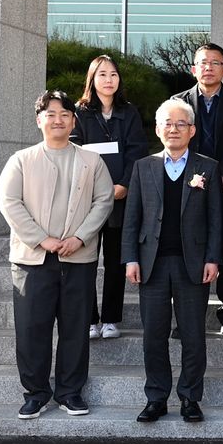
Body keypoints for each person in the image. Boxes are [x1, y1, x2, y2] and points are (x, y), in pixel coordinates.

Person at [0, 90, 114, 419]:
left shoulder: (91, 161)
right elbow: (9, 203)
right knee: (32, 327)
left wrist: (79, 237)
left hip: (78, 257)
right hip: (32, 260)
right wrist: (40, 239)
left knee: (76, 327)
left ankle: (70, 392)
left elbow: (103, 201)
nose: (58, 119)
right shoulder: (21, 160)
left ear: (74, 120)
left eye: (65, 113)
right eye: (50, 113)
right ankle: (35, 393)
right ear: (39, 120)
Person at [121, 99, 221, 423]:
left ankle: (190, 397)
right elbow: (132, 218)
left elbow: (215, 219)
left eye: (181, 124)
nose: (174, 129)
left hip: (191, 264)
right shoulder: (143, 166)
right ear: (157, 128)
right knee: (154, 334)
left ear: (192, 130)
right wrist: (130, 258)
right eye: (167, 123)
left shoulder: (207, 167)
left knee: (193, 335)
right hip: (151, 263)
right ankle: (156, 397)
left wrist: (212, 258)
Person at [173, 42, 223, 340]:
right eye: (203, 63)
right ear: (194, 69)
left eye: (215, 63)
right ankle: (185, 319)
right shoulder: (178, 102)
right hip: (187, 184)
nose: (208, 68)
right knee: (188, 248)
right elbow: (175, 143)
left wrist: (222, 174)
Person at [72, 54, 148, 341]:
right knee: (86, 259)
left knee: (116, 260)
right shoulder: (79, 112)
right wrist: (94, 189)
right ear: (92, 78)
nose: (109, 80)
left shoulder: (128, 112)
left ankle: (111, 319)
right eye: (102, 74)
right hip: (87, 200)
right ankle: (90, 319)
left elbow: (137, 150)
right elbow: (74, 151)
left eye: (113, 74)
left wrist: (124, 184)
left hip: (119, 197)